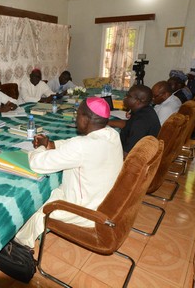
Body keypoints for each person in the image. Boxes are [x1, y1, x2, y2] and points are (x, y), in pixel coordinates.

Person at [13, 97, 123, 248]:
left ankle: (20, 247)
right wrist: (50, 144)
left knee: (38, 209)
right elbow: (75, 145)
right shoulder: (112, 134)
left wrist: (38, 148)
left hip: (86, 211)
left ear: (85, 118)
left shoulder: (82, 146)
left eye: (77, 114)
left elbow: (37, 164)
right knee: (51, 191)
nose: (75, 118)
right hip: (105, 202)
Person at [108, 85, 160, 157]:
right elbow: (128, 124)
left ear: (138, 101)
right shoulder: (145, 110)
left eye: (128, 95)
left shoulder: (141, 122)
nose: (125, 97)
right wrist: (106, 122)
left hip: (134, 158)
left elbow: (127, 154)